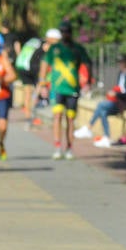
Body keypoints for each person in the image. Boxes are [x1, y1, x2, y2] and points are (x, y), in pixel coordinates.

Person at [38, 20, 90, 160]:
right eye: (63, 32)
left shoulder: (77, 49)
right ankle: (57, 146)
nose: (65, 34)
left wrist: (87, 82)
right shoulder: (55, 48)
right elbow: (44, 64)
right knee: (57, 116)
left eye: (67, 31)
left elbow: (87, 63)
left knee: (71, 118)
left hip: (72, 89)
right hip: (57, 88)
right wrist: (42, 84)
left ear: (70, 33)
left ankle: (69, 147)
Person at [84, 54, 126, 147]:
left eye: (122, 62)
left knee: (101, 105)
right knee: (103, 112)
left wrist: (117, 94)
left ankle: (89, 127)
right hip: (118, 100)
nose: (120, 64)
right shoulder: (121, 74)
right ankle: (106, 136)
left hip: (125, 102)